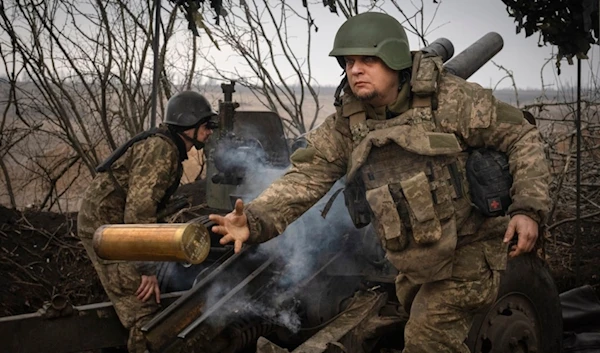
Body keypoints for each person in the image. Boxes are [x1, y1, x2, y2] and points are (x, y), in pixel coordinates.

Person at [209, 12, 551, 353]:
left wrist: (528, 209)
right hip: (416, 260)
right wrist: (253, 219)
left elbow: (521, 136)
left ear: (395, 60)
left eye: (368, 59)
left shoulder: (451, 100)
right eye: (349, 61)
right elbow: (305, 178)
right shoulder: (348, 123)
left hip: (471, 248)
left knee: (426, 339)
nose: (355, 69)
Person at [77, 90, 216, 353]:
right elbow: (138, 213)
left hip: (118, 226)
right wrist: (147, 269)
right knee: (144, 314)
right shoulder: (161, 149)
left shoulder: (168, 147)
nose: (209, 133)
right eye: (206, 126)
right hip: (107, 231)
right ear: (188, 124)